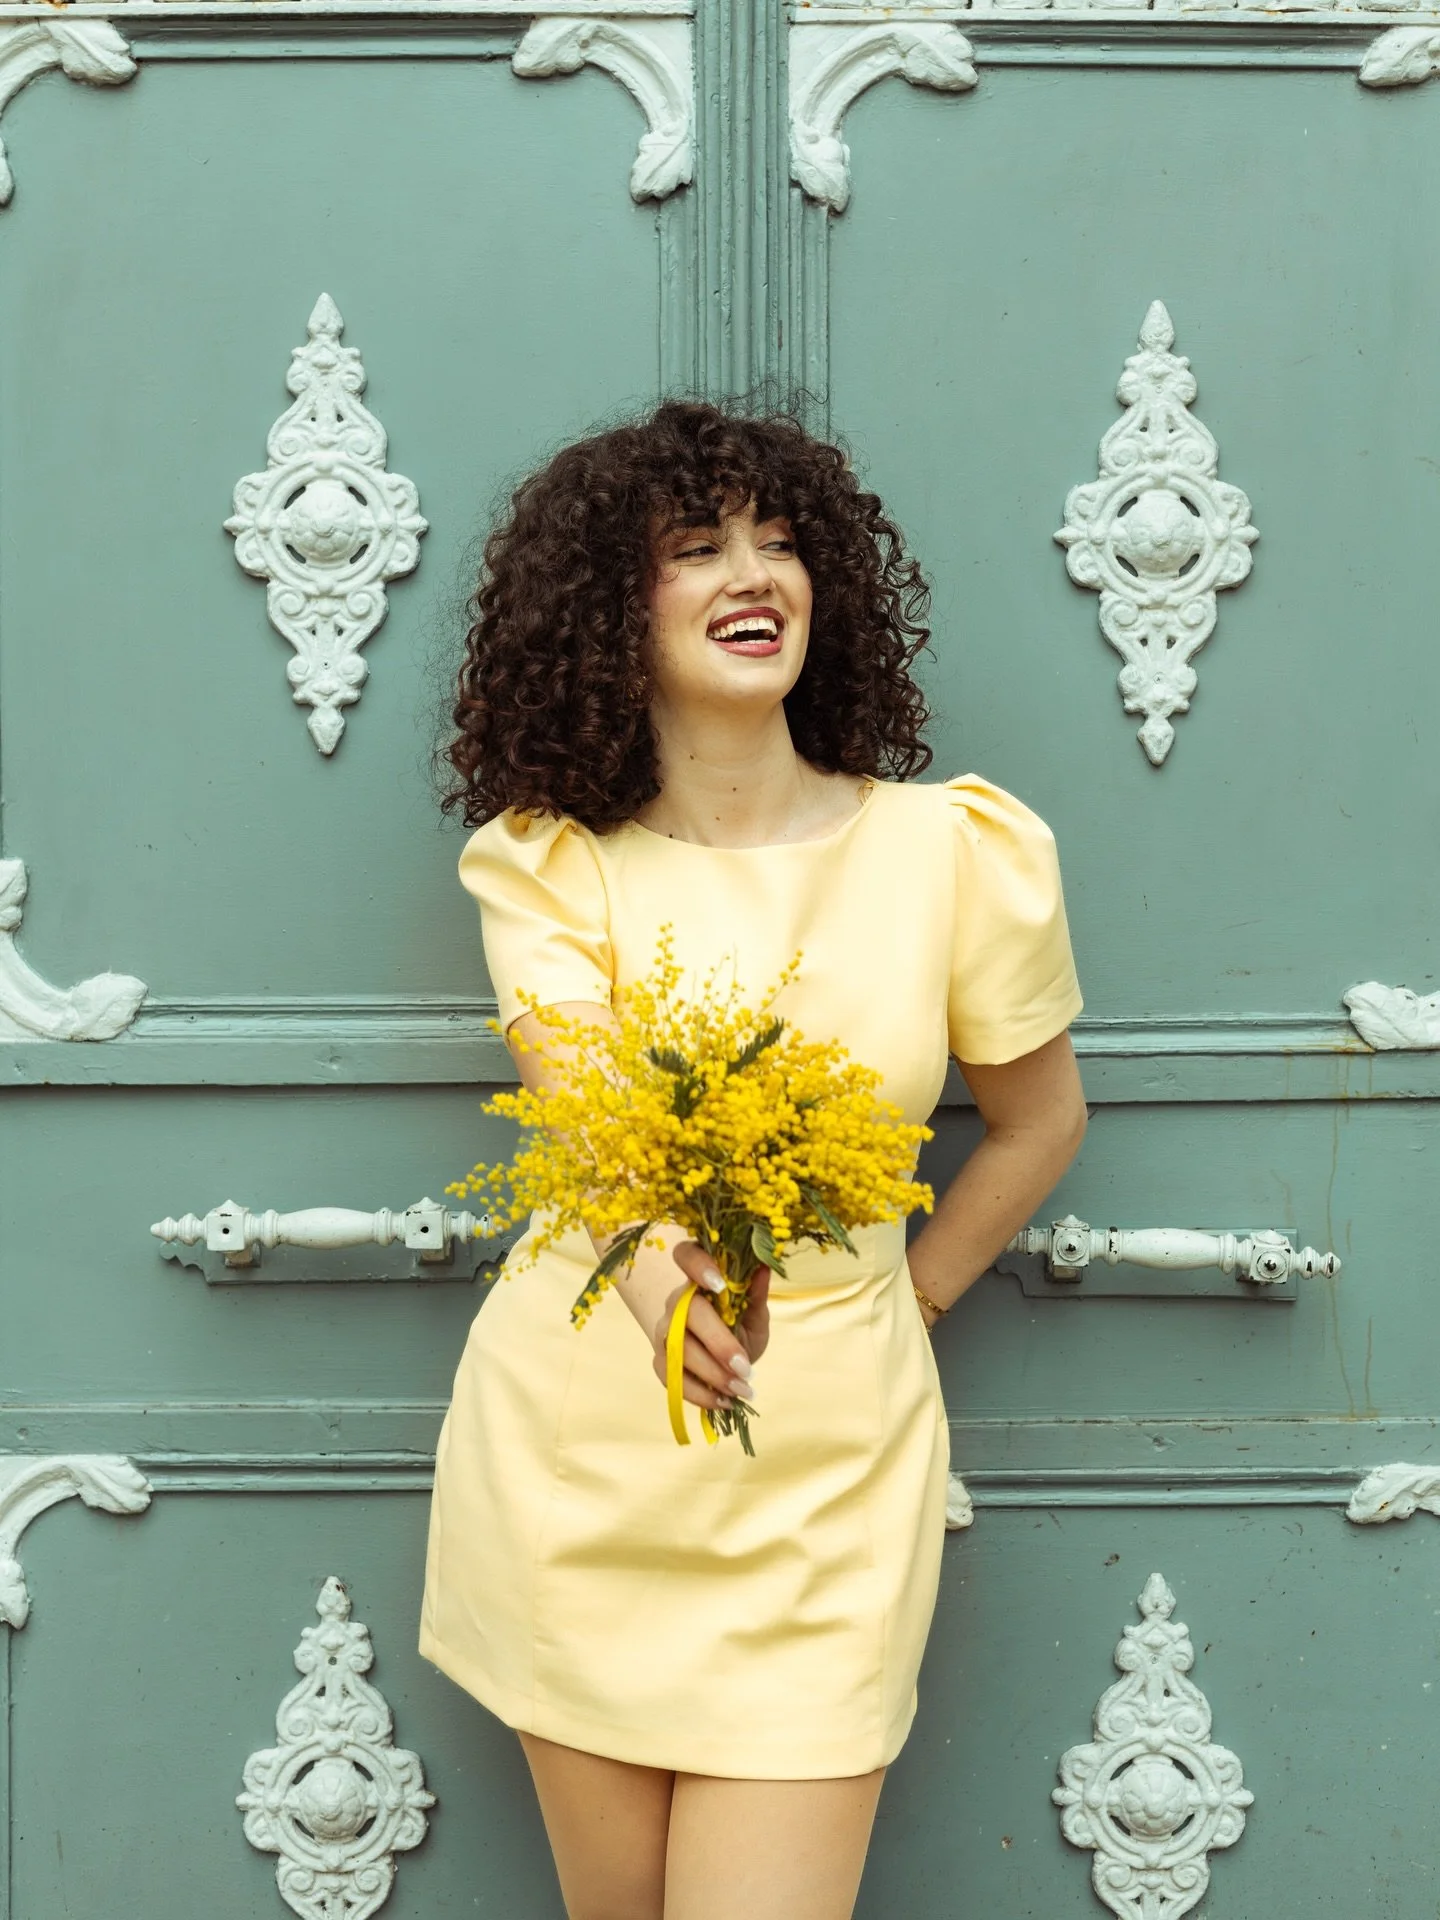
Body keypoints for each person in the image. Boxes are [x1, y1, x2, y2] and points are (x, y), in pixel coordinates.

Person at [420, 400, 1087, 1920]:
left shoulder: (953, 850)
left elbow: (1041, 1118)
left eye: (781, 543)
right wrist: (656, 1280)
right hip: (583, 1456)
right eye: (698, 546)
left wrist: (901, 1304)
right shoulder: (550, 861)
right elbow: (584, 1119)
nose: (755, 574)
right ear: (609, 605)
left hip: (832, 1475)